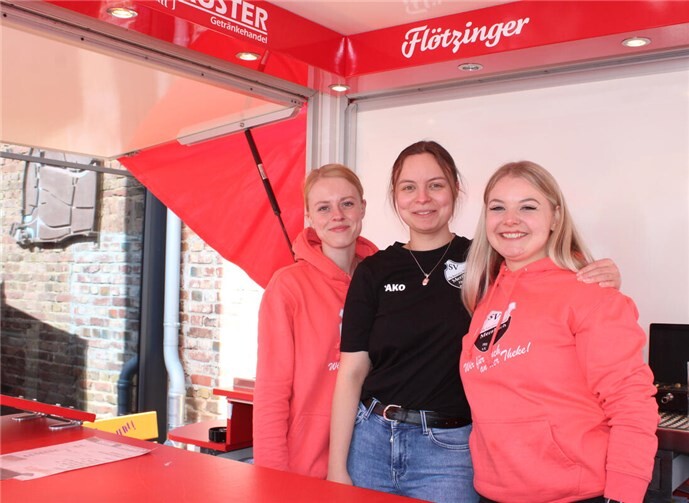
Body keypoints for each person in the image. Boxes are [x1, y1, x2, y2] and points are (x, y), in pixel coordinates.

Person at [327, 142, 622, 503]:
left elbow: (543, 273)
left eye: (435, 185)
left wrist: (592, 273)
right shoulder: (373, 271)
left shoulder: (488, 261)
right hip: (371, 440)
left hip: (449, 450)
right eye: (409, 187)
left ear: (455, 189)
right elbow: (351, 372)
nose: (422, 198)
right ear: (395, 196)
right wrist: (336, 466)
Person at [460, 161, 658, 503]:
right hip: (492, 493)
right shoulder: (485, 297)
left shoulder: (591, 295)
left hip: (576, 494)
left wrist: (623, 496)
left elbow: (631, 403)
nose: (510, 219)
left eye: (528, 207)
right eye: (498, 208)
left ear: (555, 217)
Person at [253, 164, 378, 479]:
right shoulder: (287, 287)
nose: (337, 215)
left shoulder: (383, 281)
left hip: (375, 463)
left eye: (347, 203)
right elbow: (271, 393)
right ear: (309, 216)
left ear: (363, 207)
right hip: (306, 468)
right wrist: (271, 478)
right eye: (324, 208)